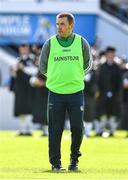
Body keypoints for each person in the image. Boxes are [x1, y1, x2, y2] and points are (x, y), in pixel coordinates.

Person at [39, 12, 92, 171]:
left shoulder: (81, 42)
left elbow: (88, 64)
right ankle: (56, 164)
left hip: (76, 92)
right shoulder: (49, 43)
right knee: (55, 130)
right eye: (57, 24)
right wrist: (56, 79)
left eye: (62, 24)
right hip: (55, 93)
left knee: (77, 128)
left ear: (71, 25)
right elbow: (42, 67)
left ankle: (74, 159)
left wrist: (75, 77)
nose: (59, 27)